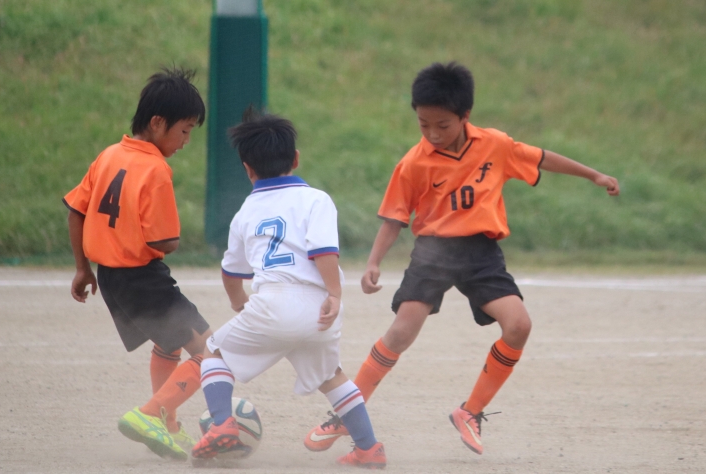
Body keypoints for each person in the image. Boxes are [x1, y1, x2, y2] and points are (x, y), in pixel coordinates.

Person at [305, 61, 620, 456]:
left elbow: (541, 158)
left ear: (465, 115)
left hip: (480, 254)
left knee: (519, 325)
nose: (433, 134)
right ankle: (346, 414)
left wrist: (594, 175)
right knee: (400, 333)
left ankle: (470, 412)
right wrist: (373, 263)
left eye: (443, 125)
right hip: (432, 254)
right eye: (423, 125)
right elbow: (394, 219)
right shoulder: (413, 163)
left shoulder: (495, 145)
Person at [193, 111, 386, 468]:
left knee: (214, 352)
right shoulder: (316, 199)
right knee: (331, 376)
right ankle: (368, 448)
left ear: (247, 169)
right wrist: (334, 294)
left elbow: (231, 272)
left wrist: (239, 303)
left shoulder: (245, 211)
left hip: (273, 303)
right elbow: (323, 250)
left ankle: (222, 424)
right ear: (295, 159)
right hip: (319, 309)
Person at [64, 68, 209, 461]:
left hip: (112, 278)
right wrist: (173, 238)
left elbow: (76, 211)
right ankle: (151, 414)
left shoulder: (109, 155)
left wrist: (82, 268)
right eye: (184, 131)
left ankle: (169, 426)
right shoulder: (156, 169)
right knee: (212, 354)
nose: (186, 141)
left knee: (168, 343)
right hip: (145, 279)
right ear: (158, 123)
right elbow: (164, 241)